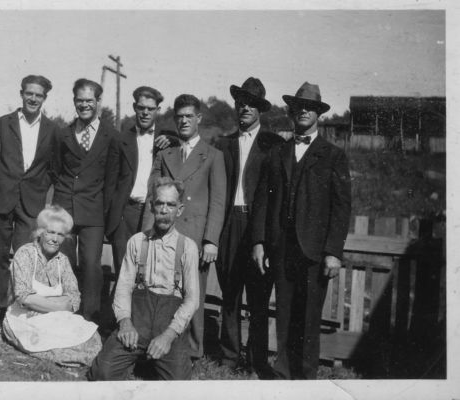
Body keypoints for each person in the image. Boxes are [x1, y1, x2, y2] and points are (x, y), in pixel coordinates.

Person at [250, 82, 351, 379]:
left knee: (308, 318)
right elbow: (262, 201)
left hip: (314, 251)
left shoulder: (333, 155)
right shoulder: (278, 153)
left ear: (317, 113)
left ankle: (305, 378)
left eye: (310, 107)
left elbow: (341, 207)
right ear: (292, 112)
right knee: (283, 313)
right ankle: (282, 373)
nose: (304, 111)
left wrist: (333, 252)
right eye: (299, 107)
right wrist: (258, 241)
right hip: (282, 247)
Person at [89, 178, 199, 380]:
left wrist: (168, 336)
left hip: (168, 325)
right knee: (101, 373)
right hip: (137, 321)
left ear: (180, 210)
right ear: (151, 206)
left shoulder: (188, 247)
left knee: (178, 386)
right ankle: (138, 359)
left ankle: (151, 362)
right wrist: (125, 323)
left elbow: (192, 300)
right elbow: (123, 288)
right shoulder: (137, 242)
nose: (164, 210)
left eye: (171, 204)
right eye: (160, 203)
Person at [143, 94, 226, 360]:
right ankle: (164, 348)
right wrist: (146, 235)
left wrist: (211, 239)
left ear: (198, 118)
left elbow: (218, 200)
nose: (184, 121)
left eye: (189, 116)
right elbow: (152, 195)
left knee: (192, 296)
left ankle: (192, 352)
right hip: (164, 233)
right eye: (179, 117)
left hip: (194, 236)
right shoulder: (165, 153)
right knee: (163, 292)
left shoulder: (213, 155)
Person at [213, 77, 283, 377]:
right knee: (230, 294)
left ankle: (256, 361)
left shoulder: (274, 145)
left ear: (260, 110)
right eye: (241, 102)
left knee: (257, 298)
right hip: (229, 224)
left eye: (251, 103)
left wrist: (265, 238)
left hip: (259, 230)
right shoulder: (224, 143)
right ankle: (229, 357)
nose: (245, 107)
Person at [0, 75, 61, 322]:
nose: (33, 99)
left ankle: (18, 311)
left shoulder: (52, 130)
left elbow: (53, 168)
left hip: (31, 202)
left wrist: (40, 187)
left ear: (44, 98)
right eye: (30, 93)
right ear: (22, 94)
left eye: (39, 95)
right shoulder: (2, 123)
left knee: (25, 258)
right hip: (1, 197)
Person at [53, 78, 120, 324]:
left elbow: (112, 177)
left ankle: (89, 318)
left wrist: (104, 212)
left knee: (92, 266)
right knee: (66, 262)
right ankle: (65, 313)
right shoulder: (63, 134)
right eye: (80, 101)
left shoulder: (111, 136)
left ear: (98, 102)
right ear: (74, 102)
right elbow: (56, 170)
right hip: (66, 209)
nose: (84, 105)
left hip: (93, 211)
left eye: (89, 101)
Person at [2, 205, 101, 366]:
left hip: (52, 317)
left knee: (93, 338)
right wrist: (59, 304)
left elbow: (74, 299)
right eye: (51, 232)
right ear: (40, 232)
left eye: (60, 234)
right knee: (52, 344)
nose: (55, 239)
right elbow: (24, 297)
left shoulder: (63, 261)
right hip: (23, 316)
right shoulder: (25, 253)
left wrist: (41, 306)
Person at [106, 85, 176, 293]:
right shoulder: (121, 139)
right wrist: (112, 217)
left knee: (148, 270)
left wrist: (173, 140)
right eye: (142, 107)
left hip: (152, 214)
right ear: (135, 107)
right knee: (123, 271)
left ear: (158, 110)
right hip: (124, 213)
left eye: (151, 109)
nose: (146, 112)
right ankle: (121, 322)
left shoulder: (166, 139)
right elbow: (110, 182)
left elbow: (185, 144)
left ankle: (141, 322)